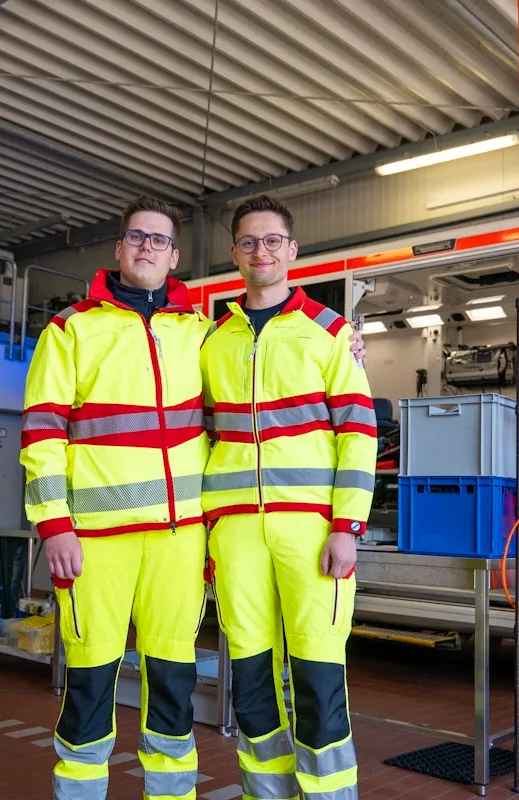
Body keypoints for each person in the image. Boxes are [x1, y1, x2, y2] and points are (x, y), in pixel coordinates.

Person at [20, 195, 368, 800]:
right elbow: (41, 433)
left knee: (188, 680)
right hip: (110, 541)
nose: (147, 247)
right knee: (95, 680)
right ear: (119, 248)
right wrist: (54, 525)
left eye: (159, 240)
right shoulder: (81, 330)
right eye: (137, 237)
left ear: (176, 256)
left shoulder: (214, 333)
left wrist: (348, 523)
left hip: (200, 538)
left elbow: (344, 426)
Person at [200, 194, 377, 800]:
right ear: (234, 253)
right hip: (236, 533)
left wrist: (346, 527)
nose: (261, 251)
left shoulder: (331, 334)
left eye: (272, 240)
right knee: (249, 675)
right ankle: (264, 794)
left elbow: (358, 434)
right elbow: (199, 434)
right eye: (249, 241)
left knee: (317, 674)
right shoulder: (212, 341)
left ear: (292, 250)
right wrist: (208, 528)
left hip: (312, 531)